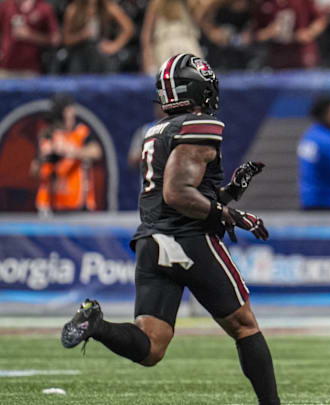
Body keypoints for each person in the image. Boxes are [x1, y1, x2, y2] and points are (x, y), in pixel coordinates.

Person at [60, 53, 280, 405]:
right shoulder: (200, 126)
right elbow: (178, 194)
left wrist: (233, 191)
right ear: (196, 89)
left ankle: (97, 324)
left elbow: (189, 193)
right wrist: (234, 215)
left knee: (151, 346)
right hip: (187, 240)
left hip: (152, 240)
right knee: (244, 325)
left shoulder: (156, 131)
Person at [31, 93, 103, 214]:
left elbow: (96, 152)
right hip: (51, 206)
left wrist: (71, 150)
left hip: (78, 205)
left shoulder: (81, 132)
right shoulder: (47, 135)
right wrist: (43, 156)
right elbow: (34, 172)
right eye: (68, 113)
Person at [62, 0, 135, 73]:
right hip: (79, 55)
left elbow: (129, 28)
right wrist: (81, 35)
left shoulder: (107, 7)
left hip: (100, 54)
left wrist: (115, 46)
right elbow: (66, 40)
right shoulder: (73, 9)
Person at [253, 0, 328, 69]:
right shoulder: (265, 4)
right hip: (277, 54)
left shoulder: (303, 1)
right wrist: (268, 32)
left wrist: (310, 32)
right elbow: (255, 34)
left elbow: (320, 19)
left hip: (302, 52)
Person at [141, 0, 203, 74]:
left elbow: (200, 17)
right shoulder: (156, 3)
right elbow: (146, 34)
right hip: (165, 46)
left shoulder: (189, 3)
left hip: (187, 43)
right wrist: (148, 58)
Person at [0, 0, 61, 75]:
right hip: (5, 68)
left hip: (31, 70)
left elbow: (56, 39)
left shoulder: (43, 8)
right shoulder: (6, 6)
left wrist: (31, 35)